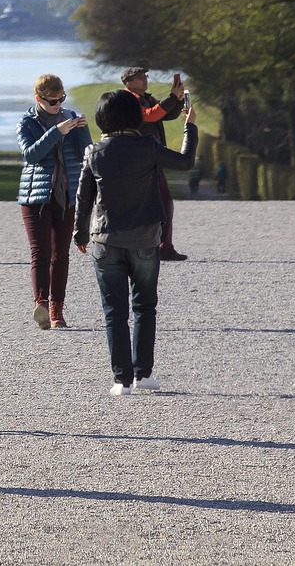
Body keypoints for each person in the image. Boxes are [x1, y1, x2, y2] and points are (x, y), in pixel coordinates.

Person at [74, 89, 197, 396]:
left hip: (105, 238)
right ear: (136, 116)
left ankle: (122, 380)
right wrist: (189, 126)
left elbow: (83, 199)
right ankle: (143, 373)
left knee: (114, 311)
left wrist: (78, 233)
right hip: (144, 236)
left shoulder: (94, 152)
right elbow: (185, 162)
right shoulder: (148, 146)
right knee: (144, 306)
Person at [16, 74, 92, 330]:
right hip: (35, 197)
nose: (58, 105)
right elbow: (31, 155)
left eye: (61, 99)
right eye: (52, 101)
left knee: (61, 254)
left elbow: (86, 155)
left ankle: (56, 309)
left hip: (67, 195)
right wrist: (55, 132)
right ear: (39, 99)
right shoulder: (26, 122)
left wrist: (82, 131)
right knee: (41, 251)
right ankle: (41, 302)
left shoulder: (71, 117)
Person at [121, 67, 187, 261]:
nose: (144, 79)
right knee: (140, 207)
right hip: (136, 161)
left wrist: (178, 98)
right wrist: (172, 98)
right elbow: (150, 115)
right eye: (140, 77)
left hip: (152, 159)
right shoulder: (127, 100)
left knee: (165, 203)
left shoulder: (147, 98)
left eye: (145, 76)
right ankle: (137, 247)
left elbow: (166, 114)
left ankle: (164, 247)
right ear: (129, 82)